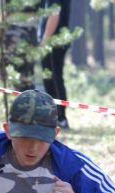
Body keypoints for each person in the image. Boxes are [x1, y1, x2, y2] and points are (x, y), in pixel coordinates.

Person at [39, 0, 71, 128]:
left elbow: (54, 14)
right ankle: (56, 117)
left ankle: (60, 118)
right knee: (52, 79)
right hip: (54, 40)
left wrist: (45, 40)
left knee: (53, 79)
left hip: (53, 42)